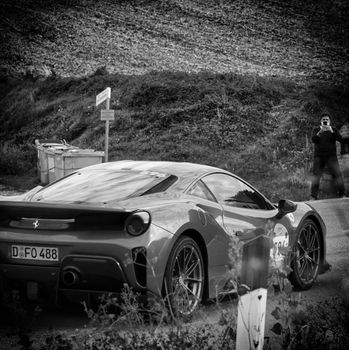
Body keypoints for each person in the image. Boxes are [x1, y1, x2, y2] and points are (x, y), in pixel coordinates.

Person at [310, 113, 345, 200]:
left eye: (327, 119)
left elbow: (340, 139)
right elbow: (313, 140)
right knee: (316, 176)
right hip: (319, 156)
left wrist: (332, 131)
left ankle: (342, 194)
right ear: (321, 121)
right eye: (323, 120)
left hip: (331, 156)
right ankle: (313, 196)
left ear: (329, 121)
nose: (325, 121)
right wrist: (320, 132)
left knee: (337, 174)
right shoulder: (316, 129)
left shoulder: (333, 129)